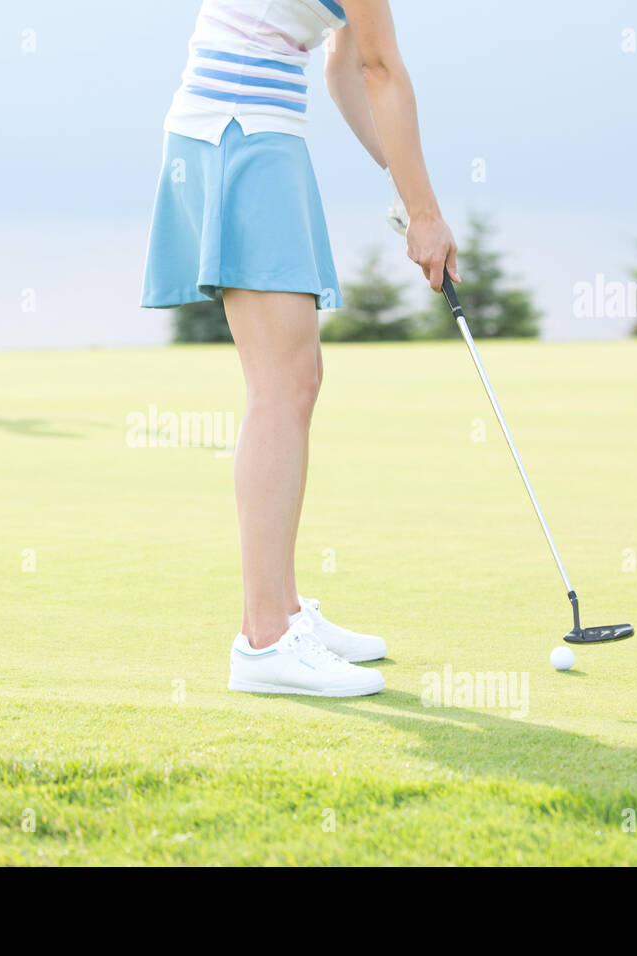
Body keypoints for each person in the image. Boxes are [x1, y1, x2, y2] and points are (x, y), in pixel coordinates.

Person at [141, 0, 458, 697]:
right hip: (239, 128)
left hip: (248, 130)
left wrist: (406, 187)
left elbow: (344, 63)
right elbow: (379, 67)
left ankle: (283, 615)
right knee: (281, 388)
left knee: (296, 381)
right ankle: (264, 644)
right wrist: (426, 213)